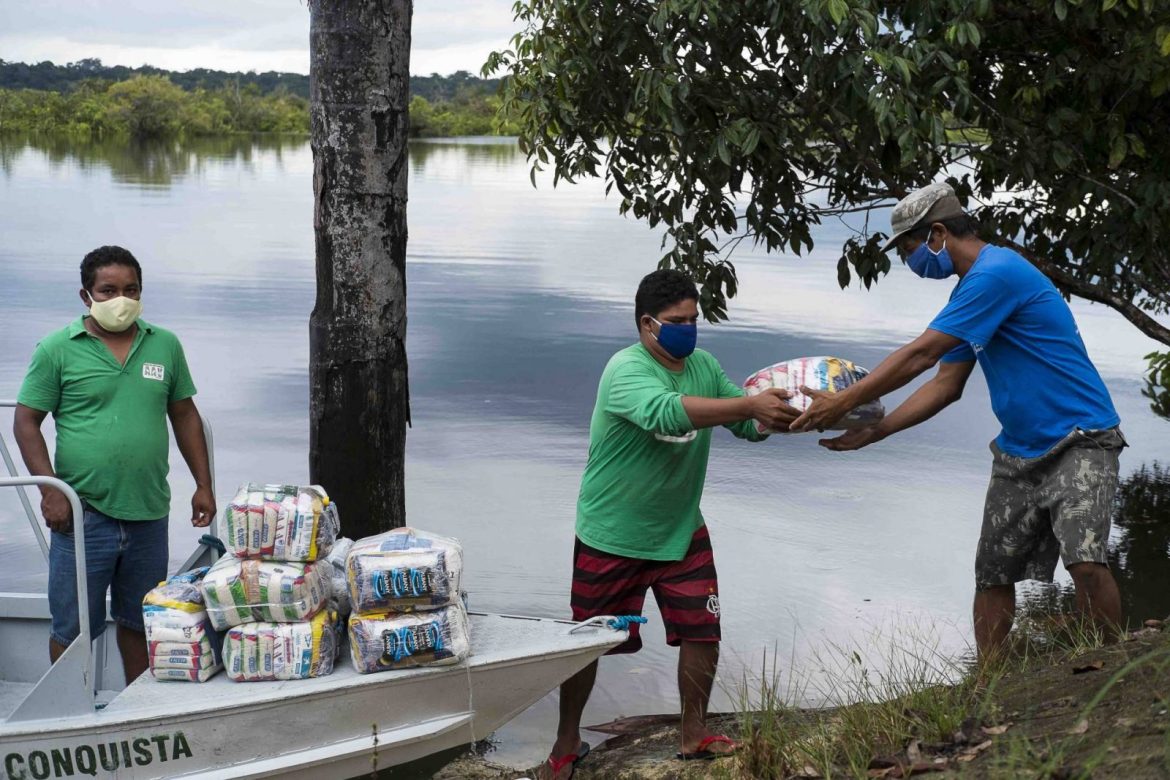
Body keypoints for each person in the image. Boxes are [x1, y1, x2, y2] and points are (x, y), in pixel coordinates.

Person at [790, 182, 1125, 659]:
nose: (909, 263)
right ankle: (985, 680)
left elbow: (922, 354)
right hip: (1019, 447)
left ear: (938, 234)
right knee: (992, 573)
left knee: (1086, 562)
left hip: (1081, 437)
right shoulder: (973, 291)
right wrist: (875, 431)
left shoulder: (998, 273)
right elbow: (946, 385)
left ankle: (1111, 661)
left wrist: (844, 401)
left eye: (909, 249)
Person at [540, 269, 798, 779]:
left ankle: (694, 733)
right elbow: (666, 414)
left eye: (694, 319)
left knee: (703, 630)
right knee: (588, 642)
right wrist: (747, 403)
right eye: (677, 321)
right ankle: (566, 743)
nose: (689, 329)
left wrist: (781, 412)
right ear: (647, 325)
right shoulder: (624, 370)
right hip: (613, 532)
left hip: (681, 529)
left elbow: (744, 423)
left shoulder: (703, 366)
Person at [13, 245, 216, 684]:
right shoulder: (56, 349)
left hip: (147, 511)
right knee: (71, 627)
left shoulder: (164, 345)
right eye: (108, 290)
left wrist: (203, 484)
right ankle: (70, 710)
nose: (119, 299)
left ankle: (136, 707)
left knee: (138, 621)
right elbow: (26, 422)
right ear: (86, 295)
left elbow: (184, 414)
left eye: (130, 289)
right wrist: (50, 490)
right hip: (83, 515)